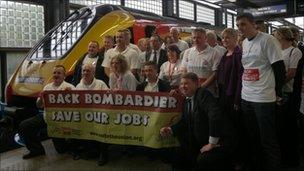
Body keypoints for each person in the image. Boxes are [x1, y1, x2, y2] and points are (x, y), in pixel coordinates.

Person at [236, 13, 286, 171]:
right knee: (253, 137)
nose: (240, 28)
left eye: (243, 24)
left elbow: (279, 69)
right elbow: (248, 68)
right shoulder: (244, 42)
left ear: (253, 24)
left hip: (263, 97)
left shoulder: (268, 40)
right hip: (247, 97)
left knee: (268, 139)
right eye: (238, 25)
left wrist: (277, 92)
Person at [160, 73, 234, 170]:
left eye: (186, 83)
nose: (183, 86)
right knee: (178, 154)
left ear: (197, 84)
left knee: (203, 159)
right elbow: (184, 122)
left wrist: (212, 143)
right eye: (181, 84)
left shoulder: (203, 94)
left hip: (220, 141)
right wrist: (170, 129)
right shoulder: (187, 101)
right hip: (201, 139)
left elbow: (215, 115)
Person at [19, 65, 75, 159]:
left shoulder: (70, 87)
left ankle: (71, 144)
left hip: (61, 120)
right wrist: (41, 98)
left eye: (59, 73)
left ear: (64, 76)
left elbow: (78, 107)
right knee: (24, 125)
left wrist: (71, 96)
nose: (56, 75)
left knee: (61, 150)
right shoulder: (47, 87)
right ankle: (36, 150)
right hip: (46, 117)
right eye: (54, 73)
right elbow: (39, 105)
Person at [274, 27, 302, 166]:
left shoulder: (294, 51)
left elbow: (292, 73)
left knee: (289, 124)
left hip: (288, 92)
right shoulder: (278, 50)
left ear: (282, 36)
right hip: (278, 92)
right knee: (280, 125)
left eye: (276, 35)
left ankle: (292, 157)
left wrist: (277, 84)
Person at [75, 64, 110, 165]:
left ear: (93, 73)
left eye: (88, 71)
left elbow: (108, 99)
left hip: (100, 116)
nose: (85, 73)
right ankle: (91, 152)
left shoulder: (101, 84)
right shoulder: (78, 86)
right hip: (85, 117)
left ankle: (104, 154)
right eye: (84, 71)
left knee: (102, 130)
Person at [181, 28, 221, 97]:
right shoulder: (187, 52)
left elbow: (215, 73)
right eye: (194, 38)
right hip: (191, 90)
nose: (196, 40)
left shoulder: (215, 53)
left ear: (205, 38)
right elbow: (184, 70)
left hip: (207, 91)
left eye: (199, 37)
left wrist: (202, 86)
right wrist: (188, 85)